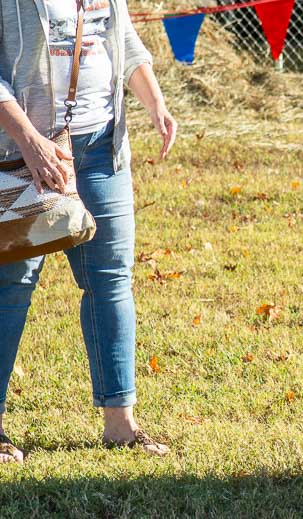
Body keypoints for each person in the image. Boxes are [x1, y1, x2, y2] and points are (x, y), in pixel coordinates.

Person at [0, 0, 177, 462]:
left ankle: (121, 423)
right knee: (10, 287)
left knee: (111, 280)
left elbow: (124, 42)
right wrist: (28, 139)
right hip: (25, 155)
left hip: (102, 150)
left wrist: (155, 103)